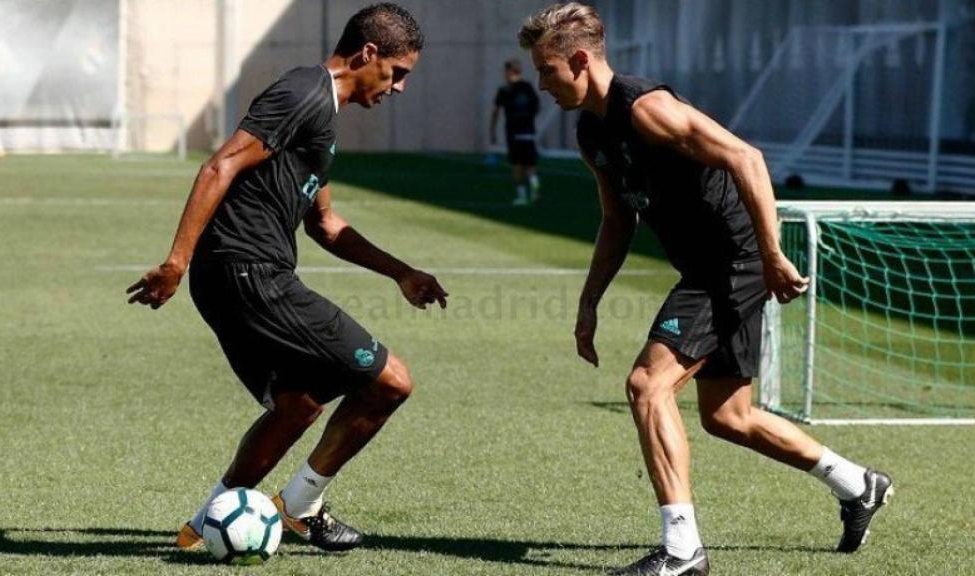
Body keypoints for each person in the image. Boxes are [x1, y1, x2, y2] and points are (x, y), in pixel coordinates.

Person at [519, 4, 893, 575]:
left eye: (546, 70)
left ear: (577, 59)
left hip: (733, 262)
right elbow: (618, 220)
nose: (540, 82)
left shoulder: (648, 108)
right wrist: (589, 301)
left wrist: (770, 257)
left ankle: (682, 549)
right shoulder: (590, 131)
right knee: (728, 416)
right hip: (710, 266)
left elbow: (747, 156)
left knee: (648, 385)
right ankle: (857, 484)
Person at [127, 3, 447, 554]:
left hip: (238, 277)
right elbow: (219, 165)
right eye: (398, 73)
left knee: (297, 406)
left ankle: (203, 527)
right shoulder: (303, 91)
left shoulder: (324, 119)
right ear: (367, 54)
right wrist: (175, 262)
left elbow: (324, 223)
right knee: (391, 380)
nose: (398, 88)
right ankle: (299, 508)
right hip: (249, 272)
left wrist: (401, 273)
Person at [490, 59, 541, 206]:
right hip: (529, 132)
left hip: (513, 133)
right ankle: (536, 193)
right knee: (531, 166)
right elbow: (536, 107)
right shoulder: (528, 87)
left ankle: (522, 196)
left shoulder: (506, 89)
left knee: (518, 166)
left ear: (509, 71)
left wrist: (492, 130)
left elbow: (496, 112)